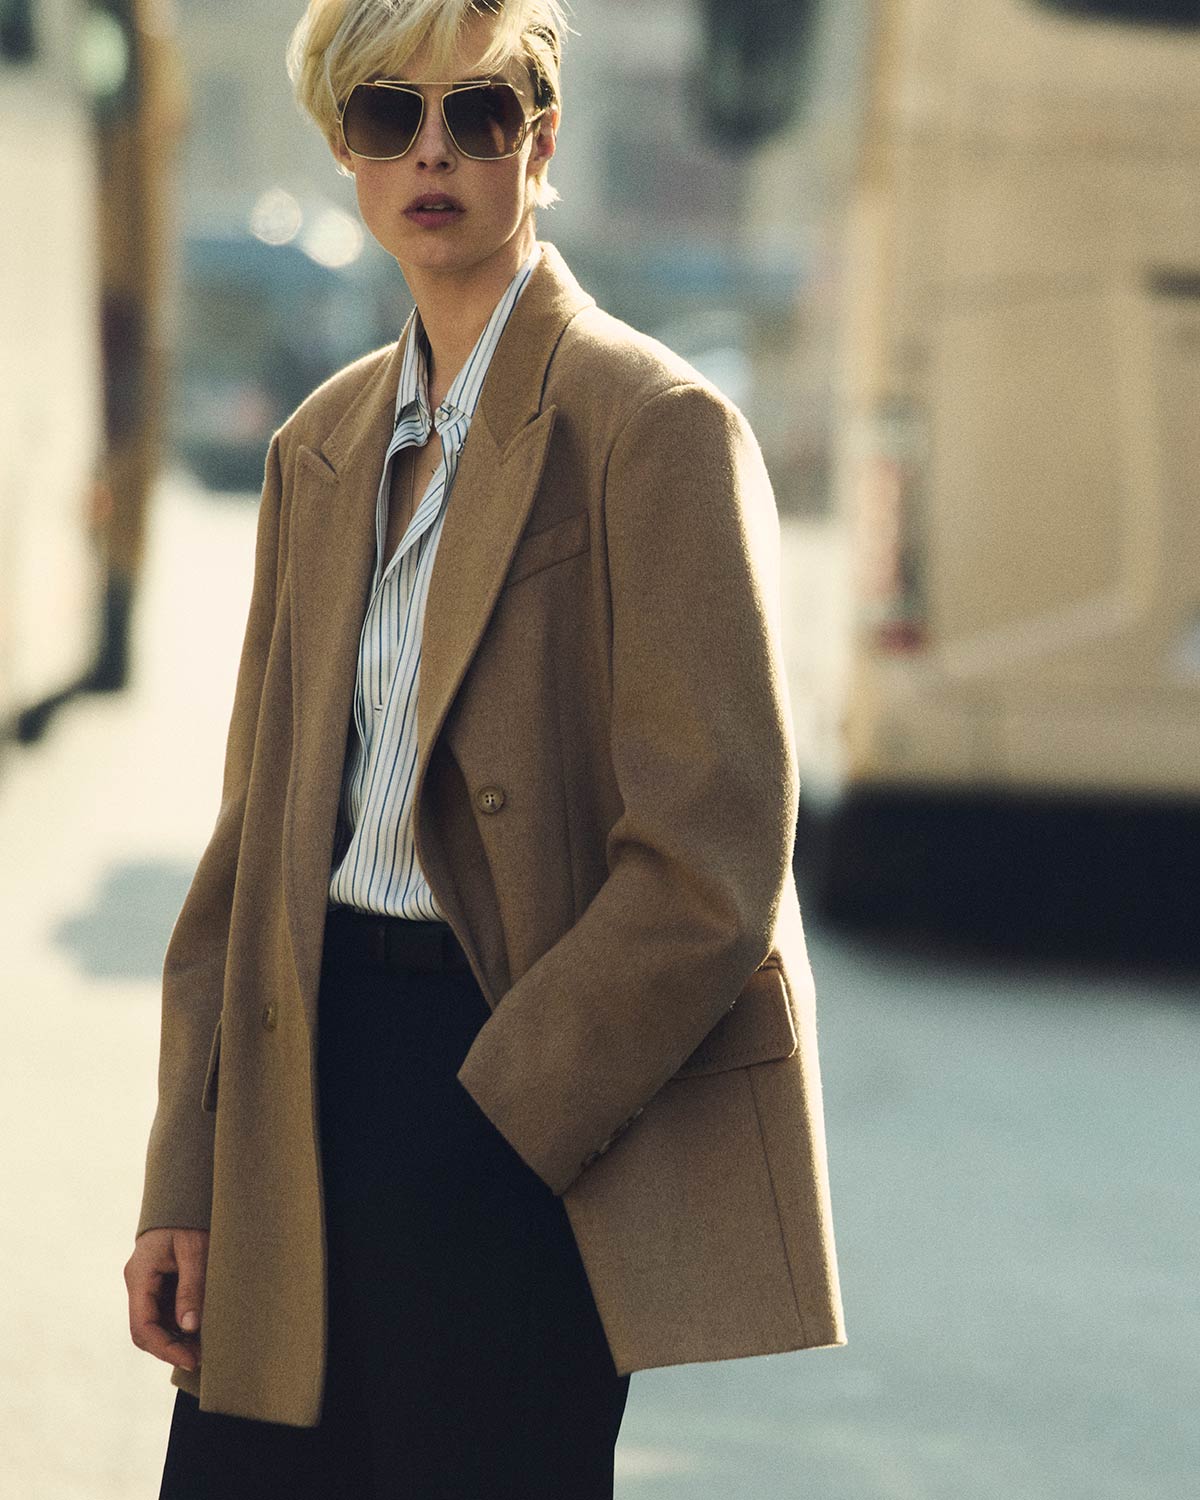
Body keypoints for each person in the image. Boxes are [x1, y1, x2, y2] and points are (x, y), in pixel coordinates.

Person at [123, 1, 847, 1496]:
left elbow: (714, 853)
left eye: (480, 113)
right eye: (391, 116)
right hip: (301, 1087)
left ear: (544, 141)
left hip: (512, 1090)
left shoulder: (651, 427)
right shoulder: (319, 446)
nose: (434, 152)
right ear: (347, 149)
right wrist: (186, 1170)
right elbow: (251, 848)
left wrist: (510, 1110)